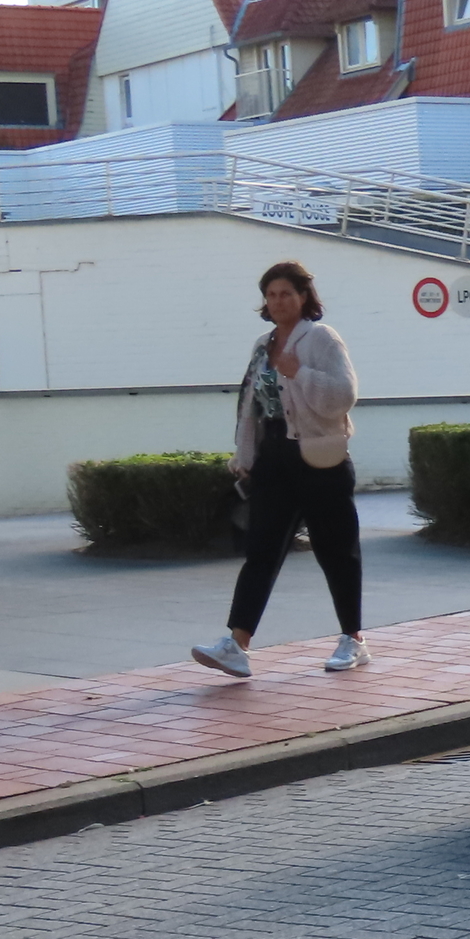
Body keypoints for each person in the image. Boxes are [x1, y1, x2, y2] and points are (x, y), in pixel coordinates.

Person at [192, 260, 367, 678]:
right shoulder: (262, 345)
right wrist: (246, 458)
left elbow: (343, 396)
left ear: (304, 296)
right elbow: (251, 409)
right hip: (274, 460)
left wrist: (299, 373)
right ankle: (237, 644)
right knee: (261, 551)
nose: (277, 302)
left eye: (286, 293)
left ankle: (353, 640)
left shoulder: (321, 338)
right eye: (270, 295)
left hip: (318, 458)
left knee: (336, 551)